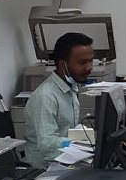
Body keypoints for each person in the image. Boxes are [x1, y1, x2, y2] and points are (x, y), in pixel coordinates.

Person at [23, 32, 95, 167]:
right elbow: (47, 143)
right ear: (63, 64)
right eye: (82, 62)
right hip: (44, 169)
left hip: (66, 162)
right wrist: (78, 145)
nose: (89, 67)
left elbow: (67, 131)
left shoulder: (70, 88)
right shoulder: (46, 96)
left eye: (91, 61)